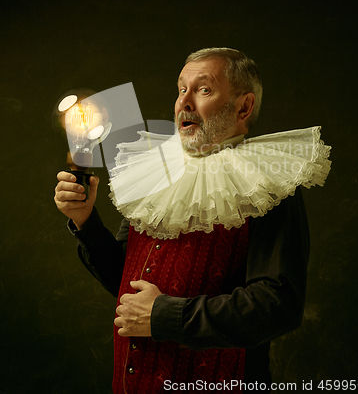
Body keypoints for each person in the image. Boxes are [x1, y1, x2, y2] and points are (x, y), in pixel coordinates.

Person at [54, 48, 331, 393]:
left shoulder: (270, 186)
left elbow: (278, 305)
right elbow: (122, 280)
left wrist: (166, 317)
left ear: (244, 107)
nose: (184, 103)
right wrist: (86, 222)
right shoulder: (152, 172)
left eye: (203, 90)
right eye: (181, 89)